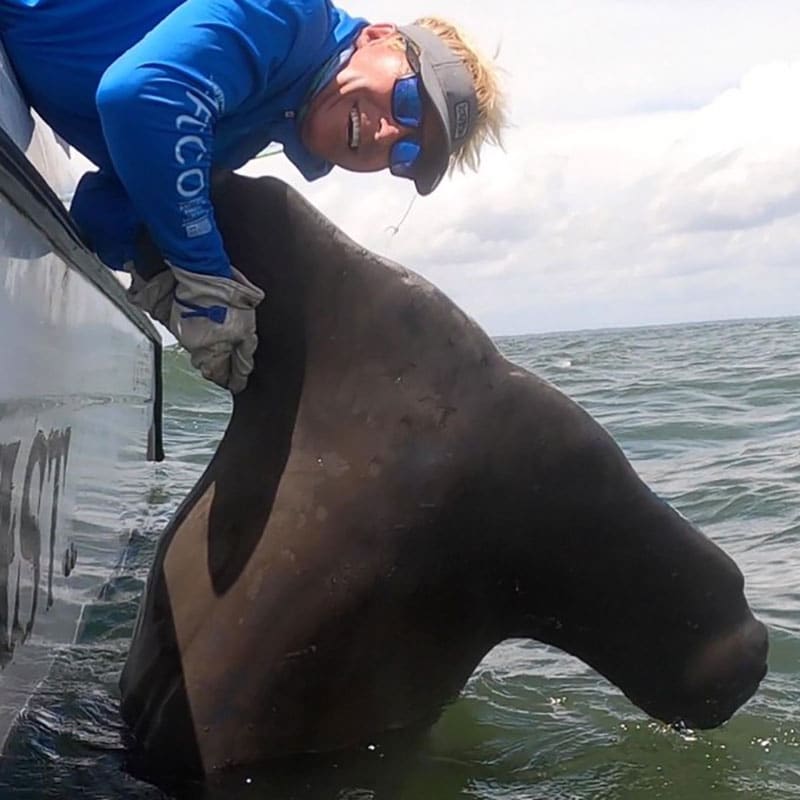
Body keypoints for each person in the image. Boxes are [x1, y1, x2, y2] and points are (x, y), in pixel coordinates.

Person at [0, 0, 506, 392]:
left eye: (409, 152)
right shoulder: (287, 13)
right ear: (378, 37)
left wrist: (156, 271)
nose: (390, 133)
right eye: (409, 99)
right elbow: (140, 96)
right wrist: (205, 277)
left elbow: (101, 207)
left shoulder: (247, 131)